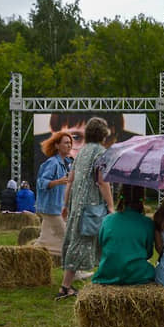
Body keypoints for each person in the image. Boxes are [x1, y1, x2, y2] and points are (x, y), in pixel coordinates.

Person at [58, 117, 115, 299]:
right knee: (86, 243)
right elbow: (101, 182)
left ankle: (73, 284)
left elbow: (70, 181)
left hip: (77, 206)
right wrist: (111, 206)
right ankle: (66, 287)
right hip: (92, 207)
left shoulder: (80, 152)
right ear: (103, 134)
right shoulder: (101, 153)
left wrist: (66, 205)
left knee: (79, 242)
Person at [92, 184, 155, 285]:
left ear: (120, 196)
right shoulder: (147, 222)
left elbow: (102, 245)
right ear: (143, 198)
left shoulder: (107, 220)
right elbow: (149, 253)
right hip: (139, 275)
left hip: (107, 274)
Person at [34, 131, 73, 259]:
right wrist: (58, 182)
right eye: (66, 143)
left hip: (53, 207)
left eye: (70, 143)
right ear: (57, 146)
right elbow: (41, 182)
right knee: (67, 239)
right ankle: (76, 272)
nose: (69, 145)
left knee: (42, 241)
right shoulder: (53, 163)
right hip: (50, 208)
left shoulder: (64, 163)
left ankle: (25, 257)